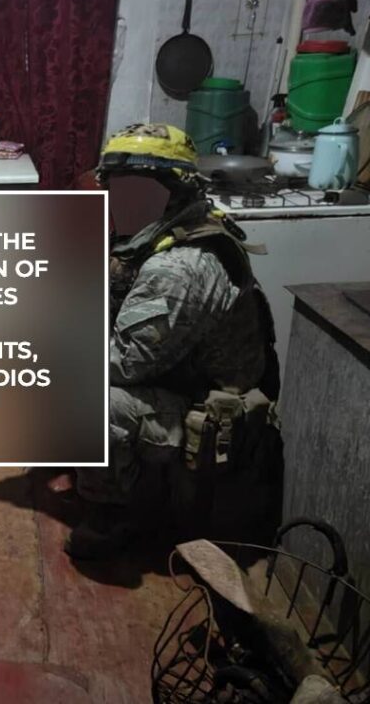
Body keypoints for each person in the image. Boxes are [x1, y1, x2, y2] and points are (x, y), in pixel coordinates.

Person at [66, 123, 280, 560]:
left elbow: (123, 363)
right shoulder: (155, 233)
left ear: (175, 190)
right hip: (174, 379)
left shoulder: (179, 267)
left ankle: (115, 518)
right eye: (116, 187)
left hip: (209, 412)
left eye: (140, 189)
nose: (121, 200)